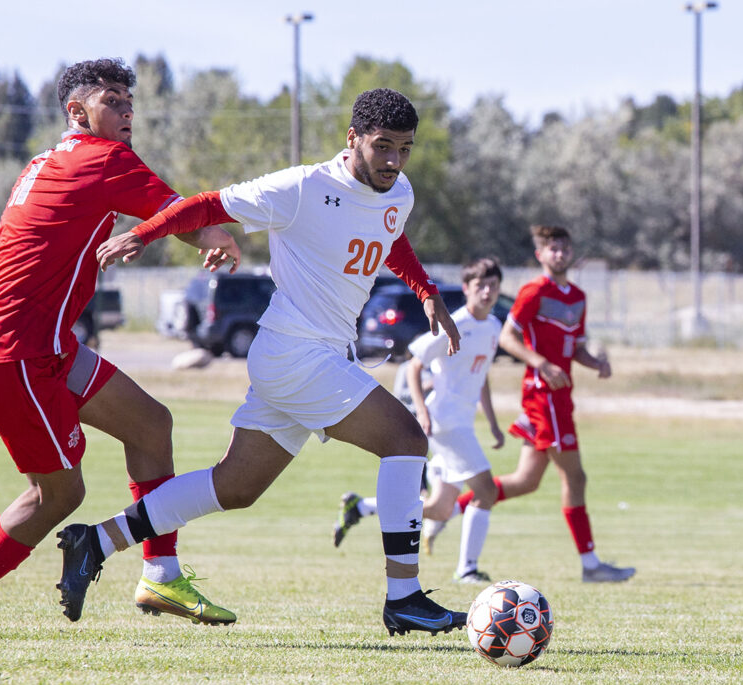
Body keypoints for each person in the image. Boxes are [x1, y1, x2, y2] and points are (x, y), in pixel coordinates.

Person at [56, 88, 470, 637]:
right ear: (353, 140)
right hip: (296, 352)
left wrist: (425, 290)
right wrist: (142, 233)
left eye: (405, 149)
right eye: (382, 147)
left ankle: (96, 541)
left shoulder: (399, 191)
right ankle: (405, 596)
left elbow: (388, 234)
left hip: (306, 359)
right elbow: (206, 205)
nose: (393, 161)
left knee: (236, 487)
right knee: (407, 440)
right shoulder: (301, 188)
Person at [0, 58, 242, 642]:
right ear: (77, 111)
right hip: (12, 352)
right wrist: (212, 233)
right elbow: (176, 213)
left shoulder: (48, 160)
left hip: (43, 344)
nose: (126, 112)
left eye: (129, 103)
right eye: (112, 100)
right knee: (60, 493)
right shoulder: (104, 158)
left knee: (150, 425)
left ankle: (161, 575)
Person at [332, 257, 506, 585]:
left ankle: (361, 507)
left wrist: (494, 423)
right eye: (480, 285)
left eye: (493, 286)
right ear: (466, 288)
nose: (487, 291)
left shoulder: (493, 327)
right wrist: (422, 413)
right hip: (444, 422)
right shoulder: (457, 323)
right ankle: (467, 569)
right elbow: (413, 365)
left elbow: (481, 376)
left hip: (462, 423)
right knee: (486, 490)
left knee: (440, 508)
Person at [487, 225, 634, 582]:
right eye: (552, 248)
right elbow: (507, 337)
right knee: (576, 476)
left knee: (525, 482)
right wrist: (540, 362)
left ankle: (452, 508)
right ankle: (591, 565)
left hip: (561, 398)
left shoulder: (578, 297)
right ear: (540, 255)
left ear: (572, 254)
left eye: (564, 248)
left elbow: (576, 348)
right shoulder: (534, 291)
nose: (559, 253)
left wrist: (596, 363)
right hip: (542, 396)